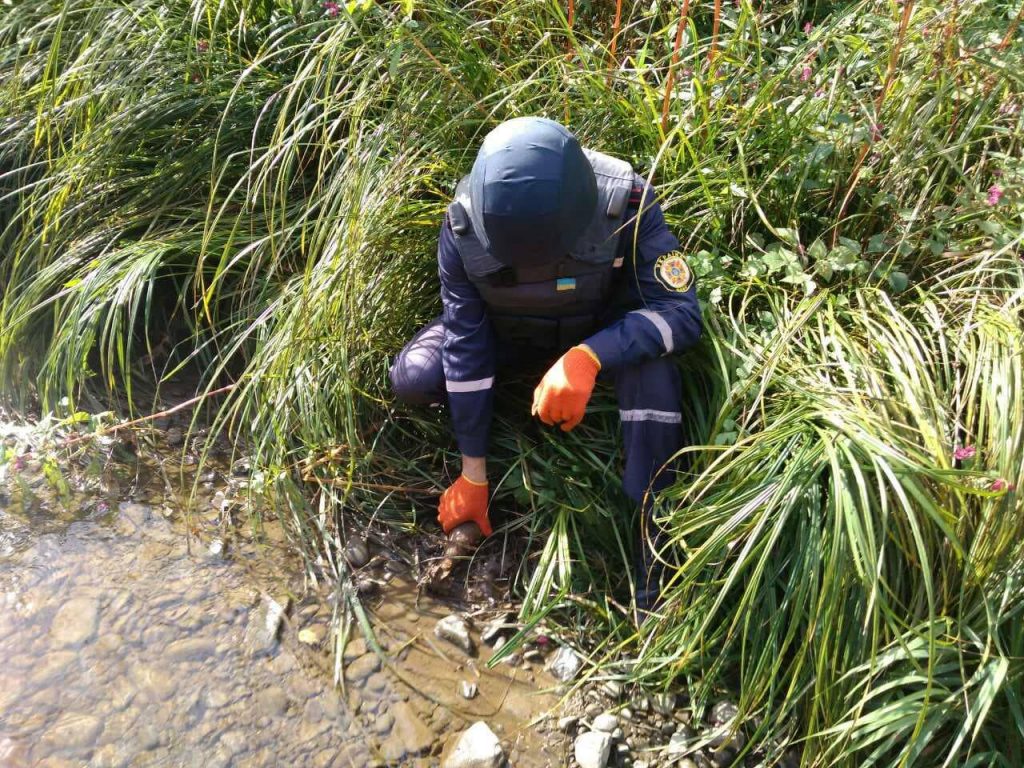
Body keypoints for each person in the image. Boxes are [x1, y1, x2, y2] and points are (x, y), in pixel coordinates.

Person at [389, 117, 702, 610]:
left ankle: (654, 534)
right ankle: (501, 419)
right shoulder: (463, 224)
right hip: (509, 337)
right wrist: (473, 473)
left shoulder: (628, 202)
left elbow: (680, 313)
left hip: (597, 332)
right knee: (413, 377)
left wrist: (590, 357)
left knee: (654, 370)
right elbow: (467, 341)